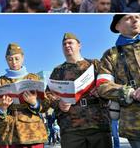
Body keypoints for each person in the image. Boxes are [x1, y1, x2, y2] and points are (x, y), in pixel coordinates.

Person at [46, 33, 112, 148]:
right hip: (71, 127)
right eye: (64, 44)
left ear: (79, 45)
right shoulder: (57, 71)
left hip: (98, 124)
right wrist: (58, 103)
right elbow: (48, 94)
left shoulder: (94, 65)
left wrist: (100, 90)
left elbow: (109, 83)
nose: (67, 45)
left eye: (70, 42)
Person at [0, 43, 47, 148]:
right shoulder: (1, 81)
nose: (14, 62)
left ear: (23, 58)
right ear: (6, 60)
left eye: (17, 58)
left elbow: (46, 104)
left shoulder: (33, 78)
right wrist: (2, 108)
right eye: (10, 59)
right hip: (8, 133)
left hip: (32, 132)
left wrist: (34, 102)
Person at [97, 14, 140, 148]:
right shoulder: (111, 55)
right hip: (134, 123)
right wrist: (130, 92)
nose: (135, 20)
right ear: (118, 26)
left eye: (138, 17)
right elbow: (102, 85)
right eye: (128, 18)